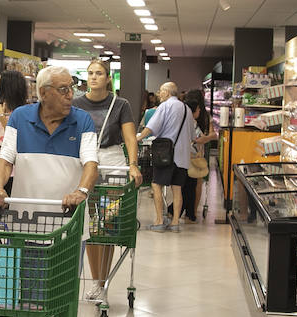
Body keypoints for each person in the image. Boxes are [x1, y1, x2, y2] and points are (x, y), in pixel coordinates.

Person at [0, 65, 98, 317]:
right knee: (32, 298)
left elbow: (90, 163)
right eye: (63, 89)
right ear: (44, 92)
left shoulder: (83, 121)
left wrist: (82, 191)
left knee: (62, 293)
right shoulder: (20, 117)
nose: (70, 95)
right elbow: (5, 160)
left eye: (71, 89)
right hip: (29, 222)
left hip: (69, 224)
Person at [71, 58, 141, 291]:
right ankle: (95, 281)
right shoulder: (76, 104)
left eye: (99, 73)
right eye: (90, 73)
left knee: (108, 225)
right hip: (85, 160)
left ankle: (103, 281)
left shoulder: (120, 104)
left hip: (112, 163)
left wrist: (133, 164)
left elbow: (130, 138)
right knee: (91, 226)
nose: (93, 77)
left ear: (108, 78)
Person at [138, 82, 195, 232]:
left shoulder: (165, 106)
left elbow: (151, 127)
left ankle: (159, 221)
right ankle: (175, 222)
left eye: (161, 91)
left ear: (167, 92)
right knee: (177, 189)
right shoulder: (187, 109)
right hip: (182, 156)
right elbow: (192, 135)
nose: (158, 94)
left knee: (156, 185)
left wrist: (138, 138)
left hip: (166, 155)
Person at [174, 90, 216, 223]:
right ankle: (192, 212)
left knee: (185, 183)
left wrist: (200, 139)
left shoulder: (183, 114)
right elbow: (213, 134)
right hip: (199, 154)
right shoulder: (205, 116)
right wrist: (204, 139)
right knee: (196, 183)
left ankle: (185, 211)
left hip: (187, 153)